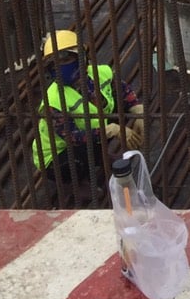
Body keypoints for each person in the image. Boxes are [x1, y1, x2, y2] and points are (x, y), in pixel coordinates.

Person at [32, 30, 145, 205]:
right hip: (58, 155)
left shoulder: (99, 73)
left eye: (66, 59)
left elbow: (121, 90)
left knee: (110, 114)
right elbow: (72, 137)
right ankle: (73, 184)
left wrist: (138, 110)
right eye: (55, 63)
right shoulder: (53, 100)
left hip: (89, 135)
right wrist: (110, 130)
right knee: (75, 158)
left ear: (82, 57)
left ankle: (101, 156)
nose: (61, 66)